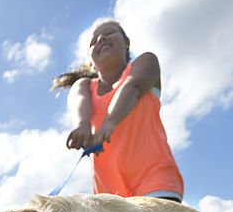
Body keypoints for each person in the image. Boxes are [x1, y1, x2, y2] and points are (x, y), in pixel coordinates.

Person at [52, 20, 184, 201]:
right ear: (90, 60)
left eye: (109, 33)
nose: (101, 38)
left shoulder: (146, 62)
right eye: (93, 41)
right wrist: (83, 126)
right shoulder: (84, 86)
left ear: (126, 42)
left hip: (156, 182)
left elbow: (133, 86)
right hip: (110, 197)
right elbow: (79, 101)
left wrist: (110, 121)